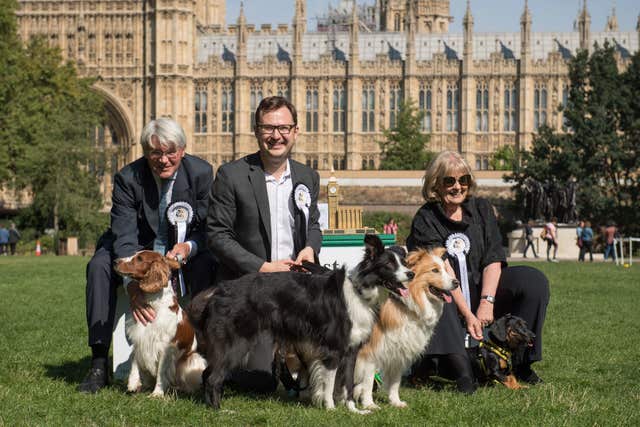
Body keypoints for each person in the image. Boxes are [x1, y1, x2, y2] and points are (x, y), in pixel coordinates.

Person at [78, 118, 215, 393]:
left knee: (210, 263)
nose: (163, 159)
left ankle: (205, 355)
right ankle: (98, 362)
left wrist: (189, 247)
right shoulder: (128, 178)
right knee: (98, 267)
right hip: (134, 249)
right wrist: (132, 287)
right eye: (156, 153)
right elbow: (125, 235)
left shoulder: (201, 173)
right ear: (145, 152)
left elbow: (207, 226)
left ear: (183, 150)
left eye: (170, 152)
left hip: (180, 250)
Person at [406, 151, 549, 393]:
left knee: (532, 280)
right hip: (448, 294)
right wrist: (469, 315)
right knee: (441, 294)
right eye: (449, 181)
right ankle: (453, 367)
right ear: (436, 185)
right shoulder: (426, 218)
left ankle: (522, 363)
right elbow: (443, 272)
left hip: (481, 287)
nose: (458, 186)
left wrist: (486, 302)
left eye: (464, 180)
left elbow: (493, 257)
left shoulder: (481, 209)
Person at [207, 96, 322, 391]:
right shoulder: (232, 175)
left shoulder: (307, 176)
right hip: (253, 292)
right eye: (268, 128)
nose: (276, 136)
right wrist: (263, 267)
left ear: (295, 131)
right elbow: (217, 235)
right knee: (260, 382)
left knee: (333, 362)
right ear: (257, 132)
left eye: (283, 128)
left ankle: (292, 363)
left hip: (297, 289)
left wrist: (310, 248)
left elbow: (312, 226)